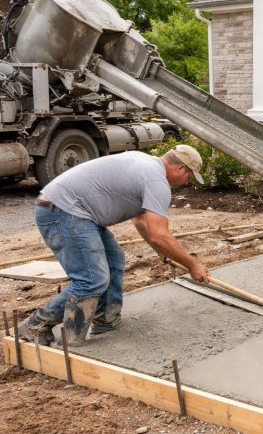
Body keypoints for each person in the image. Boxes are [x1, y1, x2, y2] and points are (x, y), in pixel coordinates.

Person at [17, 145, 210, 347]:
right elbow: (160, 234)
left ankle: (105, 320)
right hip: (63, 211)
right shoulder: (156, 180)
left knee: (114, 260)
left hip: (76, 212)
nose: (186, 182)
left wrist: (160, 251)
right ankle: (36, 326)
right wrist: (192, 265)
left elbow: (140, 221)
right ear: (180, 169)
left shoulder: (146, 164)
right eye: (189, 176)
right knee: (92, 278)